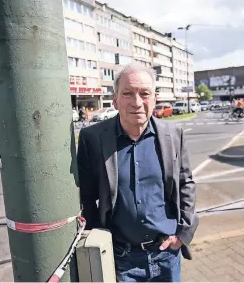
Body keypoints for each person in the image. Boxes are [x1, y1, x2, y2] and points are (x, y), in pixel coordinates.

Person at [77, 62, 198, 282]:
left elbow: (185, 184)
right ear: (115, 99)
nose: (137, 102)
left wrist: (183, 233)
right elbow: (85, 195)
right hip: (121, 259)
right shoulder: (93, 139)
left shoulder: (173, 134)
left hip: (166, 256)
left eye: (144, 93)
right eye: (127, 93)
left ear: (154, 98)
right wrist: (99, 241)